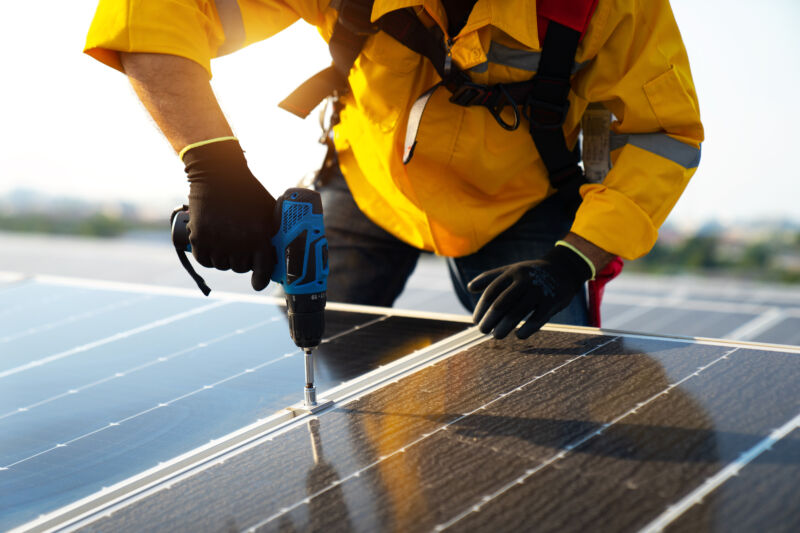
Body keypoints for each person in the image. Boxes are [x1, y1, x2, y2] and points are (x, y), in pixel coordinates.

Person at [84, 0, 703, 340]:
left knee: (555, 377)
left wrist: (572, 261)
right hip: (369, 183)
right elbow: (152, 13)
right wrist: (212, 165)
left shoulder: (610, 5)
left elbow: (660, 135)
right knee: (315, 350)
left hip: (517, 206)